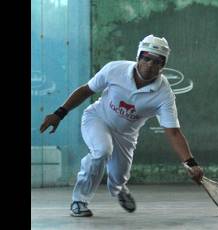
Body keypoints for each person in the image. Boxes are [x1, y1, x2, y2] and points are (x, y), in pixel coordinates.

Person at [39, 34, 204, 217]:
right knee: (101, 150)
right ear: (138, 57)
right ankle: (79, 200)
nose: (150, 64)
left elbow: (173, 132)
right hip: (97, 119)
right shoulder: (114, 69)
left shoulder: (164, 94)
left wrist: (190, 163)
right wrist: (59, 113)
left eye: (157, 61)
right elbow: (86, 90)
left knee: (118, 176)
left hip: (126, 135)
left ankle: (118, 188)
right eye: (146, 58)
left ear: (162, 66)